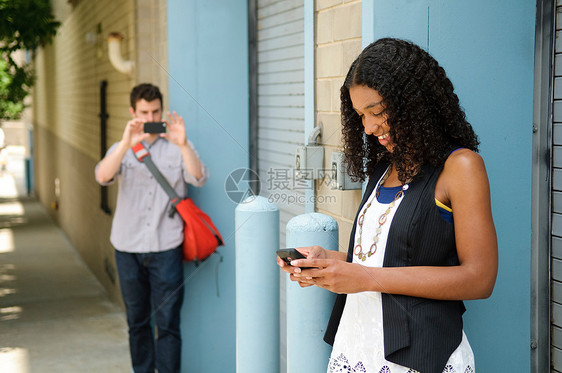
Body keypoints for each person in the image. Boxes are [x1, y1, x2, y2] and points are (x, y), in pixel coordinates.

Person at [277, 38, 498, 373]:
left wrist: (365, 277)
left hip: (421, 356)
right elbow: (381, 260)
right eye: (360, 115)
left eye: (377, 111)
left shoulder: (460, 168)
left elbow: (479, 278)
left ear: (413, 102)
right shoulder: (384, 168)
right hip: (357, 347)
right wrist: (329, 262)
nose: (368, 127)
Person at [95, 83, 208, 373]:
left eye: (155, 111)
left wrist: (183, 144)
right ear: (133, 112)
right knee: (138, 322)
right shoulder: (122, 147)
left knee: (168, 324)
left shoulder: (177, 144)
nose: (151, 116)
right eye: (144, 112)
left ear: (161, 109)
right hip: (127, 247)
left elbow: (198, 178)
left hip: (166, 248)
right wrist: (124, 143)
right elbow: (103, 176)